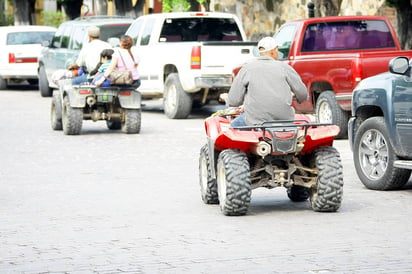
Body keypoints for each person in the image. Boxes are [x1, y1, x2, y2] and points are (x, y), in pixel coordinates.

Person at [226, 36, 308, 127]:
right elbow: (303, 95)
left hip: (255, 122)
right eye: (277, 49)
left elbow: (233, 101)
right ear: (273, 51)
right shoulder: (285, 68)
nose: (278, 52)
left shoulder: (247, 68)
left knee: (233, 125)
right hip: (285, 121)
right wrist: (295, 97)